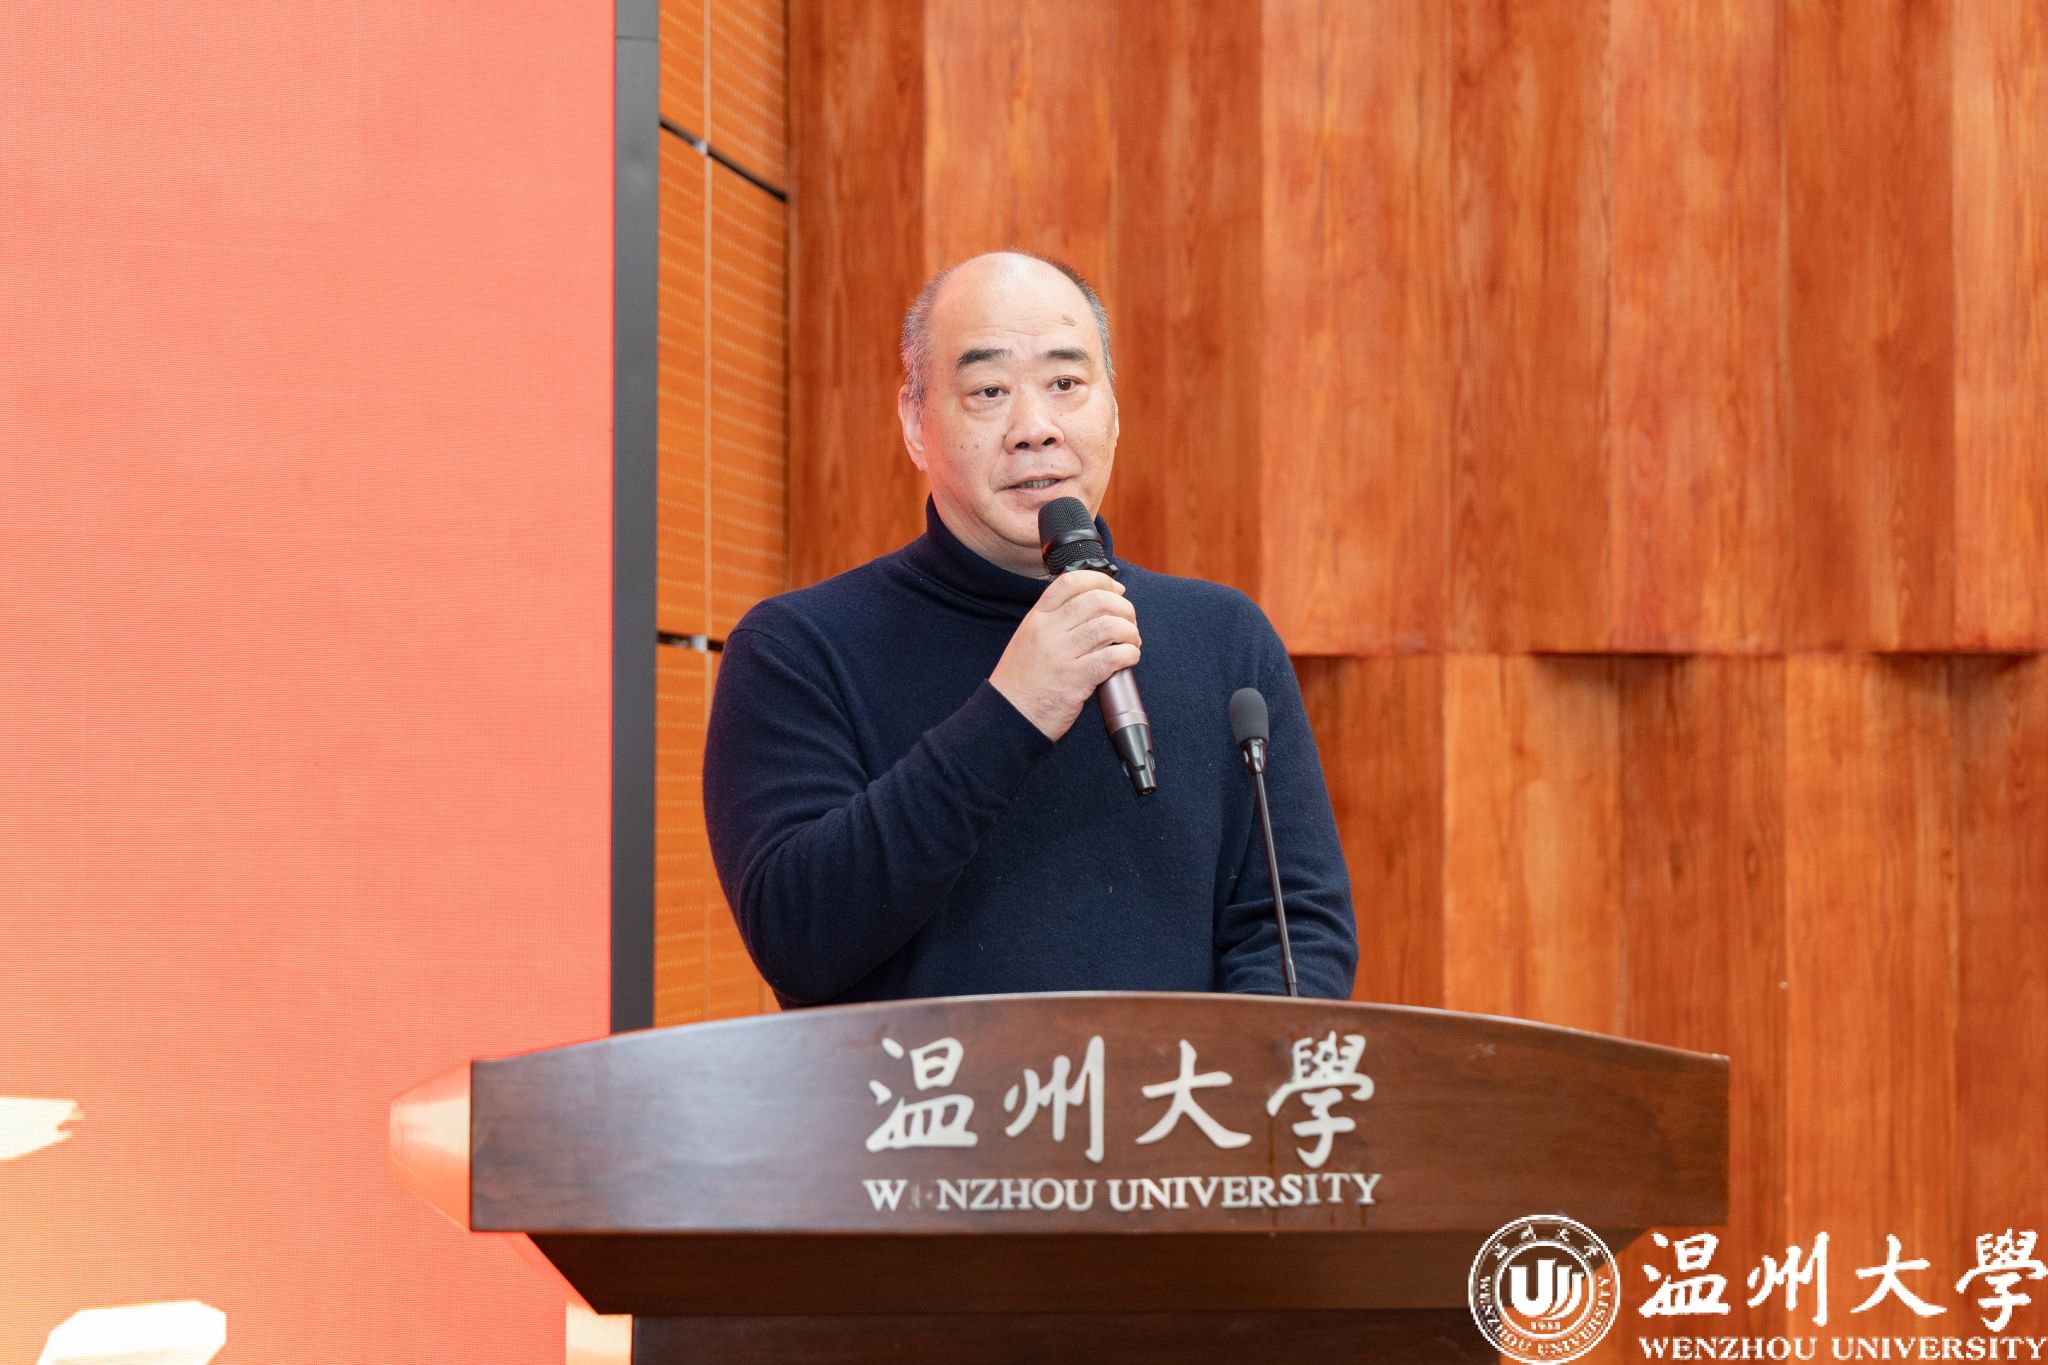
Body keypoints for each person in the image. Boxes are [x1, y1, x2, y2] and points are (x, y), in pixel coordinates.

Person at [702, 251, 1356, 1007]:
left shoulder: (1225, 637)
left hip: (1177, 1086)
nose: (1034, 428)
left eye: (1066, 384)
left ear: (1114, 412)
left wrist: (1220, 1077)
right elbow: (798, 937)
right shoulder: (797, 649)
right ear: (915, 423)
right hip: (929, 1089)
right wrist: (1011, 710)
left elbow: (1295, 930)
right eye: (988, 391)